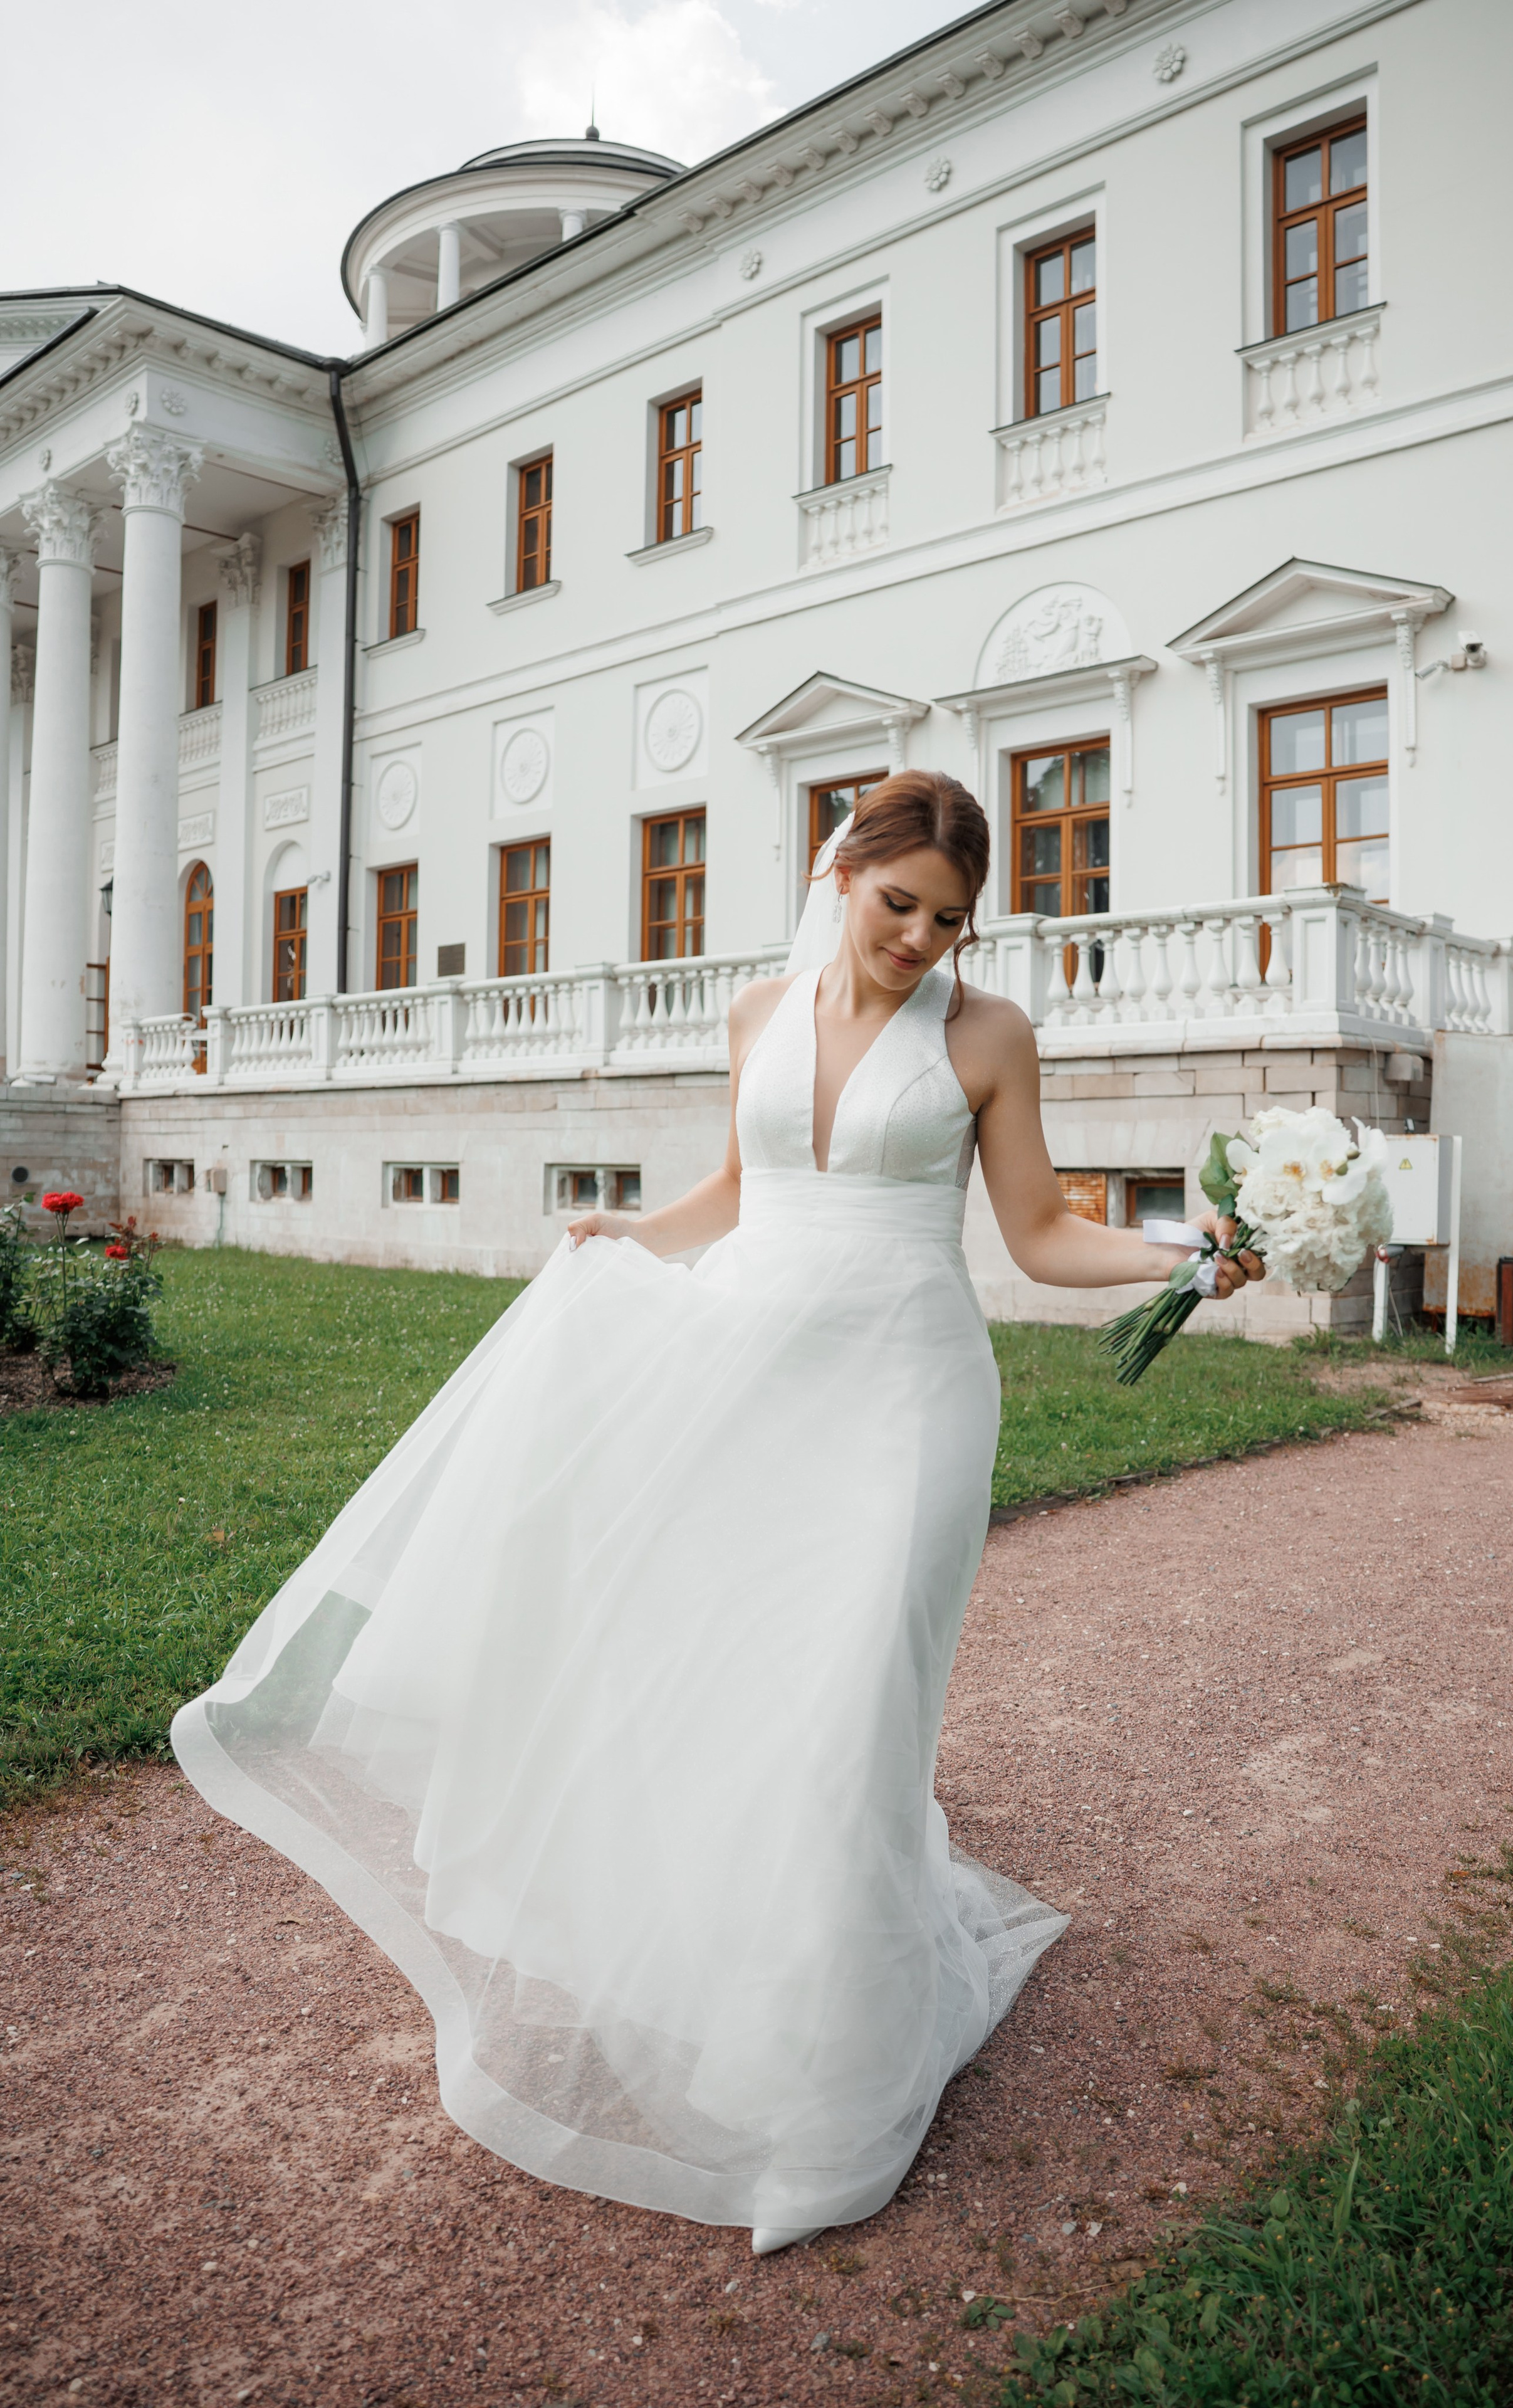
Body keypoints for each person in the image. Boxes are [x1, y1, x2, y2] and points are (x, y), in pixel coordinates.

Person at [172, 770, 1261, 2256]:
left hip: (906, 1396)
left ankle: (823, 2074)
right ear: (838, 871)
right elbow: (744, 1189)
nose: (917, 940)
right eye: (898, 905)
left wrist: (1177, 1258)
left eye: (948, 921)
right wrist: (633, 1232)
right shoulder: (755, 1013)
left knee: (854, 1704)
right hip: (753, 1372)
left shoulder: (988, 1034)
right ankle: (729, 1977)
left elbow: (1034, 1233)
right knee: (736, 1685)